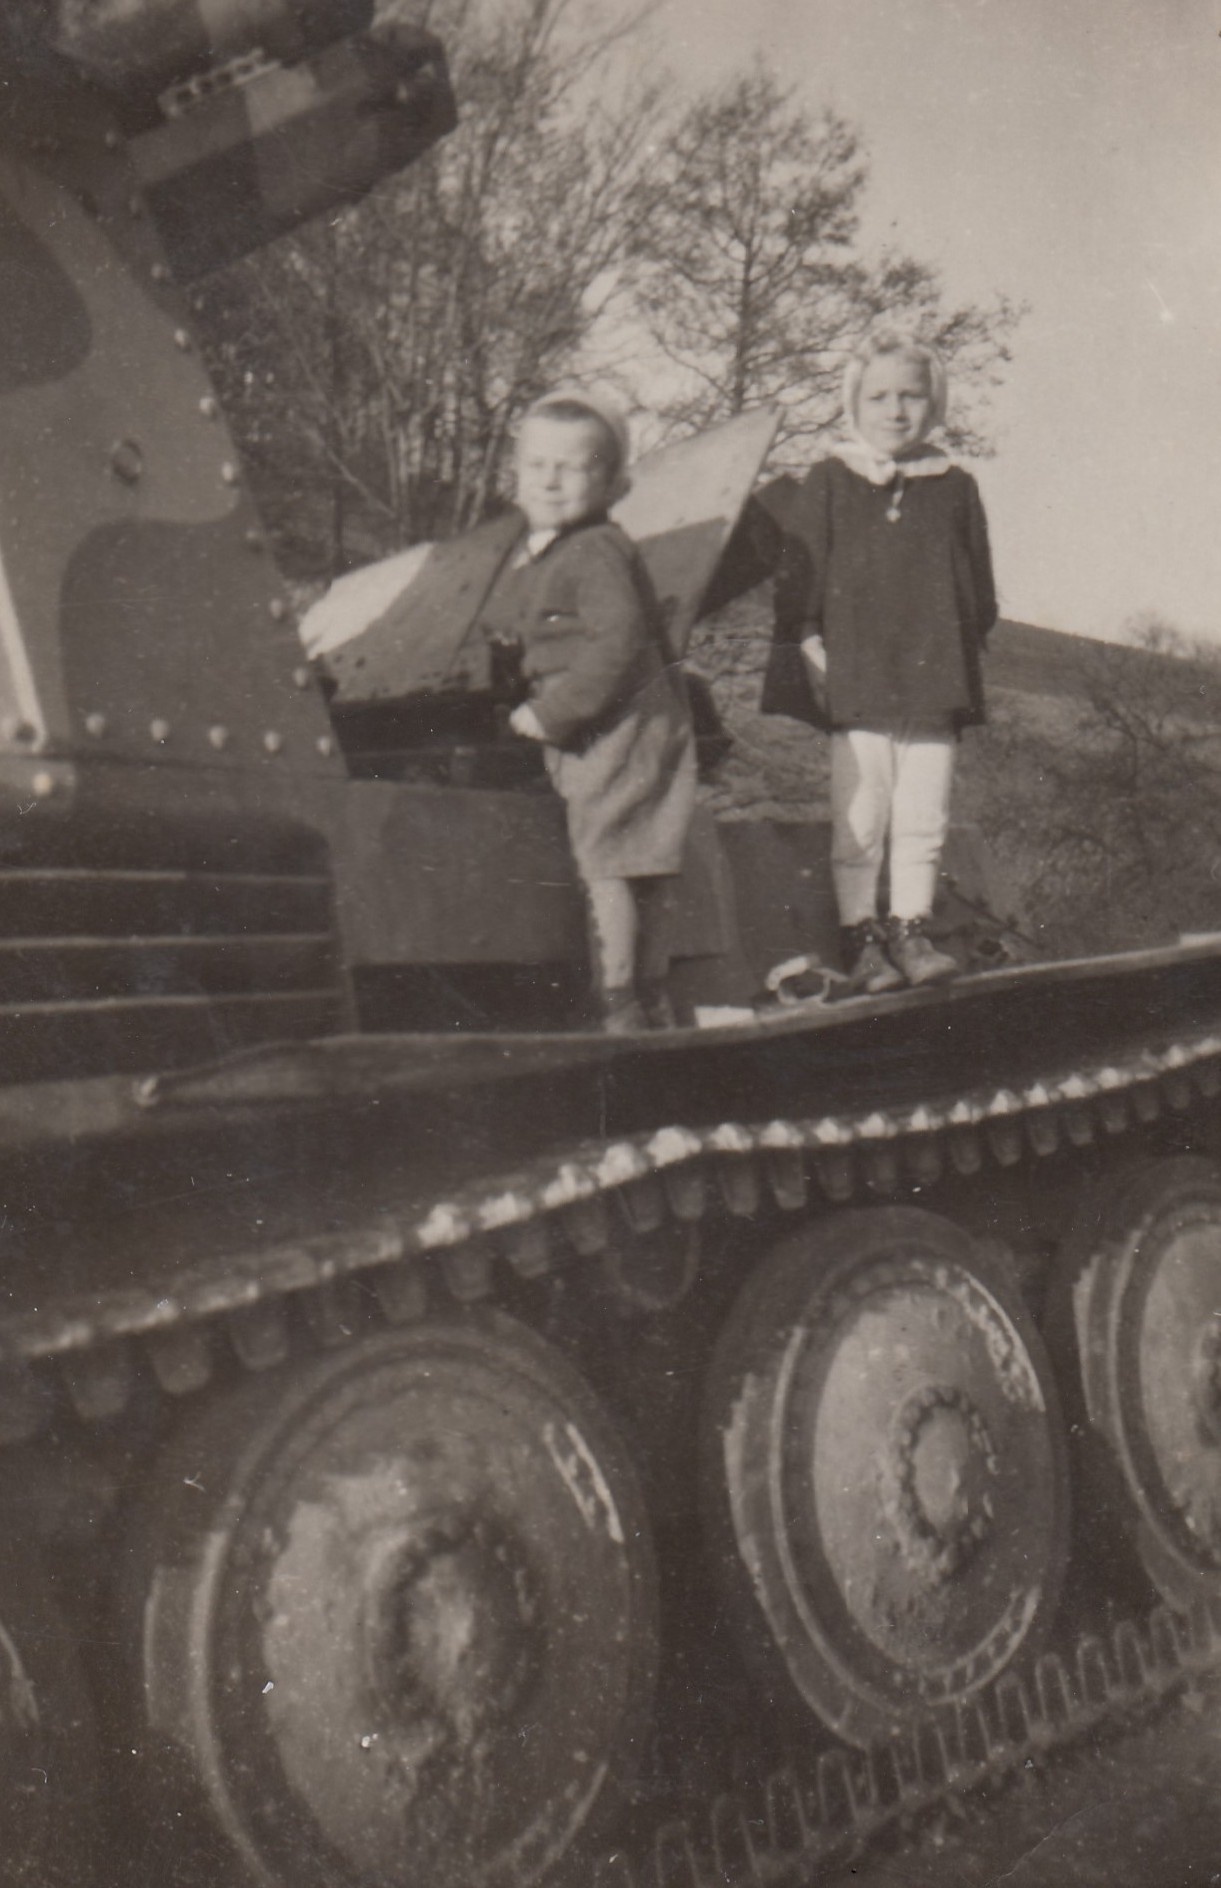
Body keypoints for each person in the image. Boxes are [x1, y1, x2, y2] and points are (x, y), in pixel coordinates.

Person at [761, 331, 997, 992]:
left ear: (934, 402)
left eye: (910, 396)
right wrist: (813, 643)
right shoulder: (830, 479)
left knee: (923, 816)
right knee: (860, 816)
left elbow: (979, 590)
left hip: (933, 682)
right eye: (879, 396)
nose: (895, 410)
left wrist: (948, 649)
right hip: (858, 680)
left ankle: (911, 931)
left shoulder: (955, 487)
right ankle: (861, 938)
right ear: (854, 401)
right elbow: (800, 579)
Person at [482, 386, 697, 1033]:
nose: (550, 480)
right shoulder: (557, 548)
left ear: (609, 484)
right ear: (515, 474)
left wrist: (553, 713)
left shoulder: (593, 548)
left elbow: (618, 639)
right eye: (537, 465)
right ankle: (650, 994)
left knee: (606, 856)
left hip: (613, 722)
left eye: (572, 467)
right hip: (629, 716)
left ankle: (619, 1000)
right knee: (642, 858)